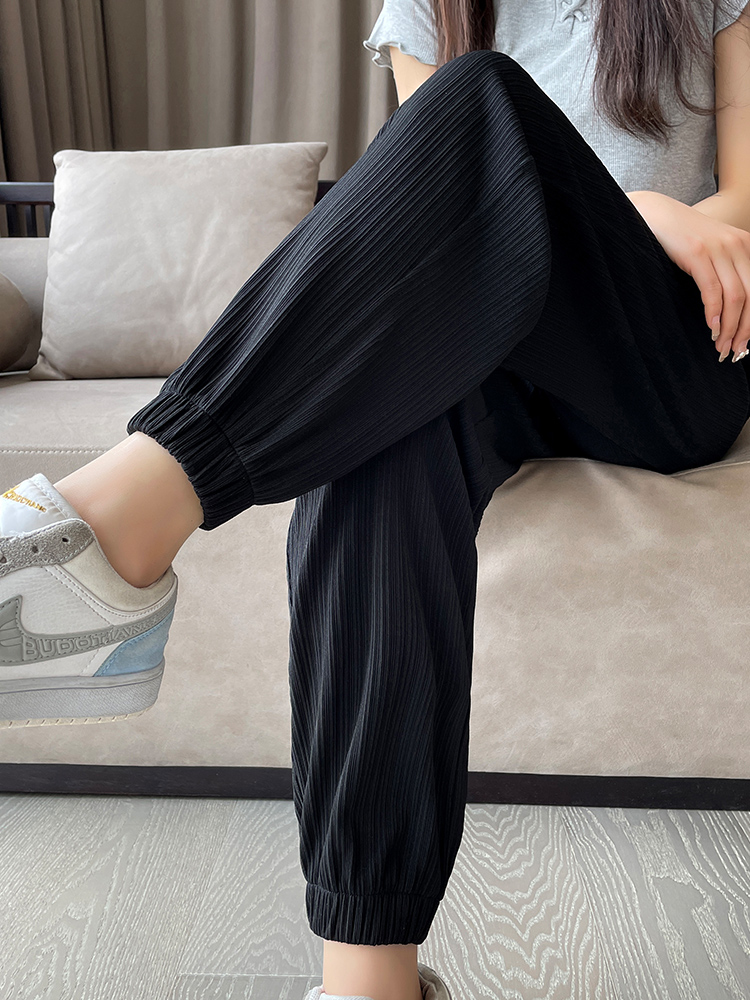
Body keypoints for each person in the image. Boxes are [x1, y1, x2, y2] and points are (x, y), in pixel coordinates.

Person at [2, 0, 750, 997]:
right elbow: (440, 197)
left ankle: (112, 531)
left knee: (485, 97)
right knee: (383, 422)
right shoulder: (432, 7)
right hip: (507, 356)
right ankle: (369, 978)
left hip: (664, 348)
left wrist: (644, 211)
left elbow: (746, 201)